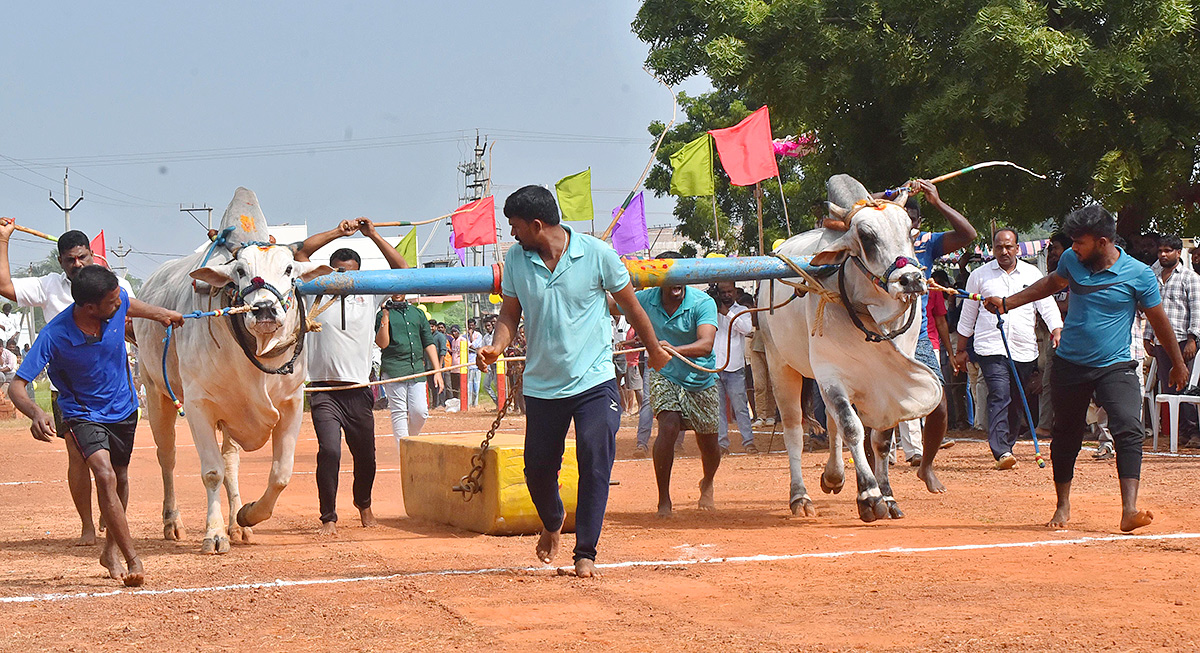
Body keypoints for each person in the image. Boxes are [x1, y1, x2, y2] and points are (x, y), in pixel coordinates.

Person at [477, 185, 669, 579]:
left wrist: (654, 349)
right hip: (542, 386)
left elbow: (632, 308)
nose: (511, 234)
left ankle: (586, 553)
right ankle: (553, 521)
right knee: (537, 471)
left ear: (536, 224)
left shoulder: (598, 255)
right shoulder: (516, 259)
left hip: (595, 380)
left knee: (595, 458)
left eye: (514, 226)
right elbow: (510, 315)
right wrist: (497, 345)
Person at [981, 206, 1185, 532]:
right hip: (1070, 363)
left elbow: (1160, 322)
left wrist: (1177, 364)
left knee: (1129, 428)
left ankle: (1129, 509)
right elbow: (1050, 283)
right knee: (1066, 435)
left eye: (1080, 242)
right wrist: (1008, 302)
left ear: (1103, 242)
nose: (1073, 248)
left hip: (1115, 364)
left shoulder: (1139, 274)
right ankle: (1062, 506)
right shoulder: (1072, 261)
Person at [8, 265, 182, 586]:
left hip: (124, 409)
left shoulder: (116, 307)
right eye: (113, 303)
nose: (120, 306)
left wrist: (164, 314)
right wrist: (35, 411)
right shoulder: (54, 335)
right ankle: (134, 558)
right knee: (105, 475)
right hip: (82, 413)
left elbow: (133, 304)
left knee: (122, 478)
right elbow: (16, 387)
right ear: (89, 307)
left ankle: (110, 550)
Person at [0, 221, 137, 546]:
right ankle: (87, 525)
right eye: (69, 260)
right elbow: (4, 286)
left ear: (91, 255)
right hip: (73, 394)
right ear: (61, 262)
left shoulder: (118, 286)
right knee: (80, 459)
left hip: (116, 391)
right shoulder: (49, 286)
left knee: (118, 473)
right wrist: (3, 240)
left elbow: (132, 320)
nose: (76, 264)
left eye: (82, 257)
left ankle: (112, 517)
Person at [294, 218, 407, 536]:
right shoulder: (313, 290)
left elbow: (403, 271)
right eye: (339, 272)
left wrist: (372, 235)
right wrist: (336, 232)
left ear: (359, 273)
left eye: (351, 274)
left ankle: (364, 504)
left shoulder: (369, 294)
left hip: (358, 390)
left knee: (366, 456)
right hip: (323, 391)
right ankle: (328, 517)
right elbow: (301, 253)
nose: (345, 278)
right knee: (329, 451)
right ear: (330, 271)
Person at [956, 229, 1063, 469]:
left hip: (1024, 348)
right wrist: (961, 349)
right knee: (999, 393)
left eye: (1008, 247)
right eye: (999, 247)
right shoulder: (980, 276)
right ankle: (1001, 450)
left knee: (1017, 399)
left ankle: (1008, 444)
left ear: (1016, 248)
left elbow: (1046, 305)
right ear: (993, 249)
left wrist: (1057, 329)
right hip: (991, 346)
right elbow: (967, 315)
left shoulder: (1032, 273)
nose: (1004, 252)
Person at [626, 253, 719, 517]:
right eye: (669, 276)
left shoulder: (703, 302)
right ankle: (663, 500)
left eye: (680, 276)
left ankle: (708, 481)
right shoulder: (644, 299)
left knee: (709, 443)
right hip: (664, 372)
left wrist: (672, 348)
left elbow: (706, 345)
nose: (676, 282)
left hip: (699, 378)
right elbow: (612, 303)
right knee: (667, 426)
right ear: (659, 279)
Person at [1142, 234, 1200, 449]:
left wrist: (1193, 339)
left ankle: (1194, 431)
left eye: (1168, 251)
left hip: (1184, 340)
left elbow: (1197, 310)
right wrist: (1148, 336)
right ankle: (1182, 432)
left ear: (1178, 253)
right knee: (1169, 388)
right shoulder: (1154, 278)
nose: (1163, 255)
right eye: (1160, 251)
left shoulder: (1189, 278)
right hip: (1160, 342)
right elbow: (1152, 311)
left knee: (1186, 388)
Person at [376, 294, 442, 444]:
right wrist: (385, 318)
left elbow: (429, 342)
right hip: (394, 369)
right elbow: (382, 343)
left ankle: (409, 441)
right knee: (399, 412)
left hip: (417, 369)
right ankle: (404, 454)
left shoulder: (417, 313)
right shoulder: (382, 314)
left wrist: (437, 371)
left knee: (421, 412)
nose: (398, 293)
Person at [1036, 232, 1072, 439]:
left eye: (1055, 249)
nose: (1051, 254)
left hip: (1072, 335)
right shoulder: (1050, 279)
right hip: (1051, 337)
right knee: (1049, 381)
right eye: (1050, 250)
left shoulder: (1074, 276)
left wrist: (1047, 306)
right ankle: (1045, 424)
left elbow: (1070, 304)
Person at [713, 282, 756, 454]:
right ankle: (722, 444)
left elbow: (746, 328)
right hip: (714, 366)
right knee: (718, 409)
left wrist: (727, 313)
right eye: (722, 292)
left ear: (736, 292)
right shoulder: (711, 309)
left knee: (740, 407)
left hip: (734, 367)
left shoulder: (740, 311)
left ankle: (748, 442)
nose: (726, 295)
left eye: (729, 292)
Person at [430, 319, 449, 407]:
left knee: (440, 385)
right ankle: (434, 404)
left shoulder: (440, 336)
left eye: (432, 326)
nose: (431, 328)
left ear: (436, 327)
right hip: (429, 365)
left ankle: (441, 403)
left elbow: (443, 351)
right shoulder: (428, 336)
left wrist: (440, 365)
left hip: (438, 366)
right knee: (432, 386)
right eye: (429, 326)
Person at [465, 318, 483, 407]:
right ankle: (469, 403)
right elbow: (468, 347)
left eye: (472, 325)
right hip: (468, 364)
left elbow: (473, 346)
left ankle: (475, 403)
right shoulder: (464, 336)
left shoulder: (478, 335)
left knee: (476, 385)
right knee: (469, 385)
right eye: (469, 325)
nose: (471, 327)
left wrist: (471, 335)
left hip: (476, 364)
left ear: (475, 326)